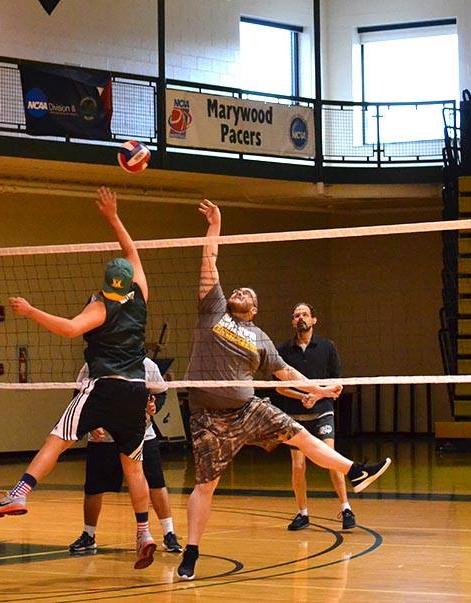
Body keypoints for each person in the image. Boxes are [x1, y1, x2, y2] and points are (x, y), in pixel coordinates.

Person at [176, 199, 391, 581]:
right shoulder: (213, 310)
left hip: (248, 411)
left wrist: (321, 390)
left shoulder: (260, 339)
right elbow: (209, 260)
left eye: (248, 293)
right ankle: (191, 551)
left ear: (255, 310)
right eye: (238, 289)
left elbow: (287, 373)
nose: (240, 290)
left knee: (303, 436)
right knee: (206, 485)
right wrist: (215, 225)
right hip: (208, 417)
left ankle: (356, 472)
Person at [0, 186, 158, 570]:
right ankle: (144, 532)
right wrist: (113, 217)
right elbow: (134, 253)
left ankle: (19, 493)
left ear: (108, 282)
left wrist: (30, 311)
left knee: (57, 439)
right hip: (135, 392)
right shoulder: (140, 295)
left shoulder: (100, 304)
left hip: (104, 386)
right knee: (134, 467)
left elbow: (70, 329)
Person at [68, 357, 183, 555]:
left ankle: (169, 534)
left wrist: (154, 408)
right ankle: (88, 535)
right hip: (103, 439)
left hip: (141, 435)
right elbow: (78, 397)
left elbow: (161, 393)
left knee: (156, 483)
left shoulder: (147, 365)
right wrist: (91, 424)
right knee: (94, 488)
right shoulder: (92, 364)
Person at [271, 303, 355, 531]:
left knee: (331, 458)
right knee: (298, 466)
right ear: (292, 321)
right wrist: (301, 397)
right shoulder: (283, 350)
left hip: (322, 410)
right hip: (295, 414)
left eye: (305, 314)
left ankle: (346, 508)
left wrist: (316, 397)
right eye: (296, 314)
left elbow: (337, 383)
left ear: (314, 320)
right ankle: (302, 513)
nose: (301, 317)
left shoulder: (327, 347)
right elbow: (280, 388)